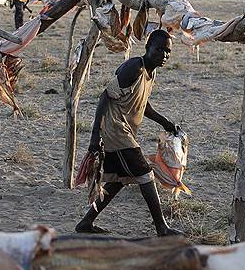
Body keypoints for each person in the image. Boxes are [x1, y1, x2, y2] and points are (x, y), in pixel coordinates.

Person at [76, 29, 184, 237]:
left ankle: (86, 222)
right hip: (115, 131)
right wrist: (94, 136)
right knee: (145, 174)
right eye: (159, 49)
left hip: (124, 131)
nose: (164, 55)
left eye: (167, 51)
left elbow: (143, 103)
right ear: (147, 48)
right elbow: (104, 97)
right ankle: (161, 227)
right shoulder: (134, 67)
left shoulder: (150, 73)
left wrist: (165, 122)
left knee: (118, 180)